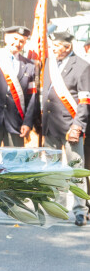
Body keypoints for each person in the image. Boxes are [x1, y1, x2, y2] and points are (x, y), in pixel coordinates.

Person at [42, 31, 90, 226]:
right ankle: (58, 207)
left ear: (67, 47)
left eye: (56, 47)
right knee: (53, 170)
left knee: (76, 170)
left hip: (70, 128)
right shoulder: (50, 63)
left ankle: (80, 210)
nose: (53, 49)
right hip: (50, 126)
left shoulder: (82, 66)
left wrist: (78, 126)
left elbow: (85, 100)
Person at [0, 26, 37, 147]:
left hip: (16, 123)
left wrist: (28, 123)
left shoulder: (29, 65)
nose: (18, 43)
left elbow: (32, 98)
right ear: (6, 38)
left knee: (14, 162)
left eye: (22, 41)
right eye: (15, 39)